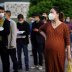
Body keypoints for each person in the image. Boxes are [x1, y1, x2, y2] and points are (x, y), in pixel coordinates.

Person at [39, 6, 71, 72]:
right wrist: (45, 36)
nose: (49, 14)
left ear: (57, 14)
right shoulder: (47, 24)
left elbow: (68, 41)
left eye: (52, 12)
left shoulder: (64, 26)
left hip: (59, 53)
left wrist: (69, 54)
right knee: (49, 68)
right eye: (49, 12)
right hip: (48, 53)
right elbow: (40, 30)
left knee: (59, 68)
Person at [0, 6, 10, 72]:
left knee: (5, 60)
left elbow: (7, 32)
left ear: (4, 12)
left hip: (3, 43)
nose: (0, 13)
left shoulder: (6, 21)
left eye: (1, 12)